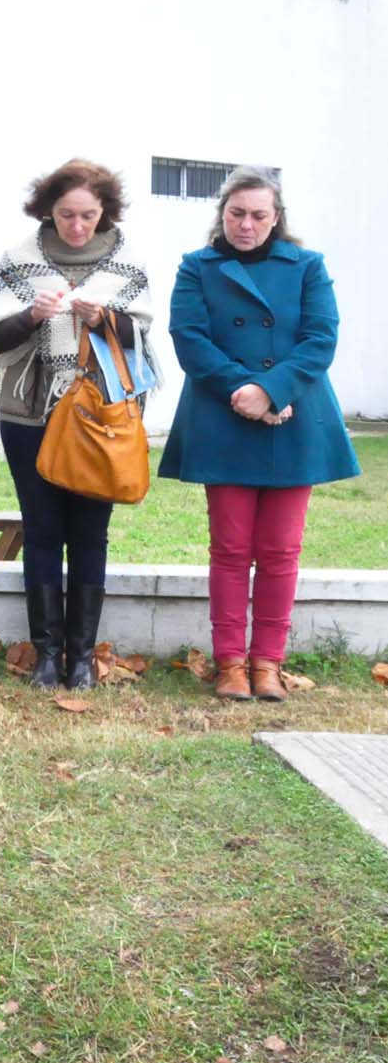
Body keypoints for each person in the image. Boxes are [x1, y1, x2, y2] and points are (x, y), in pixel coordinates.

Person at [158, 167, 359, 702]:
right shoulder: (197, 267)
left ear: (277, 218)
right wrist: (243, 392)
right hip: (224, 414)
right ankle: (229, 664)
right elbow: (190, 339)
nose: (246, 225)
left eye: (258, 215)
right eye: (236, 214)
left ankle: (267, 663)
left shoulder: (308, 266)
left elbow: (321, 338)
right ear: (222, 214)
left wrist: (271, 390)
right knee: (229, 548)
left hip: (295, 414)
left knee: (280, 550)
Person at [0, 159, 157, 691]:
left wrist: (106, 320)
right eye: (67, 215)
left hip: (99, 418)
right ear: (48, 211)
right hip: (30, 414)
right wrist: (31, 315)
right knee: (44, 533)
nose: (77, 226)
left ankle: (81, 656)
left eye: (88, 216)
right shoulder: (19, 260)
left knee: (91, 535)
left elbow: (142, 338)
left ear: (105, 212)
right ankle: (48, 655)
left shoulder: (129, 265)